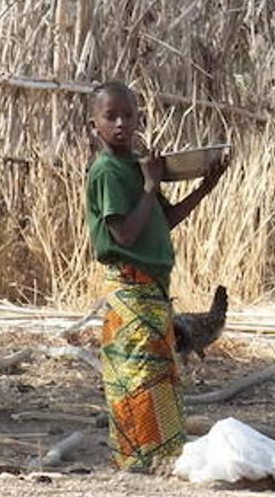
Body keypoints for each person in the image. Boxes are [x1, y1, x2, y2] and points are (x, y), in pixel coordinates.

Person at [86, 82, 227, 472]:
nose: (120, 124)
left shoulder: (134, 165)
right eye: (110, 116)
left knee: (157, 375)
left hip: (151, 293)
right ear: (94, 124)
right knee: (137, 378)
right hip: (130, 293)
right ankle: (138, 459)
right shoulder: (109, 171)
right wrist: (150, 185)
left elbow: (164, 220)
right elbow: (125, 234)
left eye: (128, 115)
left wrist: (205, 187)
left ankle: (160, 455)